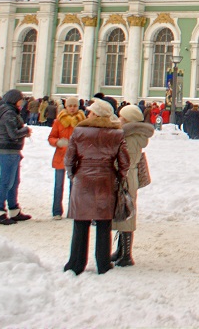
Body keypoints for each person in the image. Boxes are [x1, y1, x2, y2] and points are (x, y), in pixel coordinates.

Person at [63, 99, 129, 275]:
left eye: (90, 111)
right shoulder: (116, 133)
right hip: (106, 180)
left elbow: (69, 159)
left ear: (95, 114)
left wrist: (73, 175)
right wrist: (119, 176)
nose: (88, 113)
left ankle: (76, 263)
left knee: (80, 223)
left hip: (82, 179)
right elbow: (124, 162)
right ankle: (103, 262)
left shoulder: (79, 131)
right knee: (104, 223)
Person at [111, 105, 154, 267]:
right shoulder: (134, 135)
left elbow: (122, 160)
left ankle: (126, 254)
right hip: (129, 176)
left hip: (126, 177)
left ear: (127, 120)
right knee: (125, 212)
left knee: (127, 213)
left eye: (122, 117)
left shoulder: (129, 137)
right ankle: (121, 249)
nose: (119, 119)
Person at [0, 89, 32, 225]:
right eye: (21, 99)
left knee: (14, 182)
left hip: (12, 151)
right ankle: (0, 212)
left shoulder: (9, 111)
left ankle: (14, 209)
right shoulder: (9, 113)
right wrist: (26, 130)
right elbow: (13, 134)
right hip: (7, 151)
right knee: (6, 183)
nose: (22, 102)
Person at [48, 98, 86, 220]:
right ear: (66, 106)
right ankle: (57, 211)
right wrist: (58, 142)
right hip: (61, 157)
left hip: (75, 157)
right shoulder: (58, 121)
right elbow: (51, 137)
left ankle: (73, 210)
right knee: (58, 185)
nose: (72, 108)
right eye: (70, 105)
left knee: (74, 186)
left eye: (75, 105)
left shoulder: (82, 121)